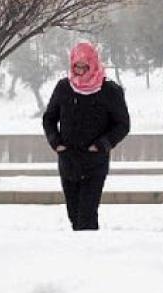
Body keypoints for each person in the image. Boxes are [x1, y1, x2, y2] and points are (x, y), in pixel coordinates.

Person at [42, 42, 130, 230]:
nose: (80, 71)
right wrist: (56, 143)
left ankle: (89, 253)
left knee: (87, 215)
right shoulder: (63, 88)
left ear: (94, 64)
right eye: (76, 66)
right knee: (74, 215)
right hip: (68, 161)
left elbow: (122, 125)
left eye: (84, 66)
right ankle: (83, 254)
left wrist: (102, 144)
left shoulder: (110, 91)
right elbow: (49, 119)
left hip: (95, 162)